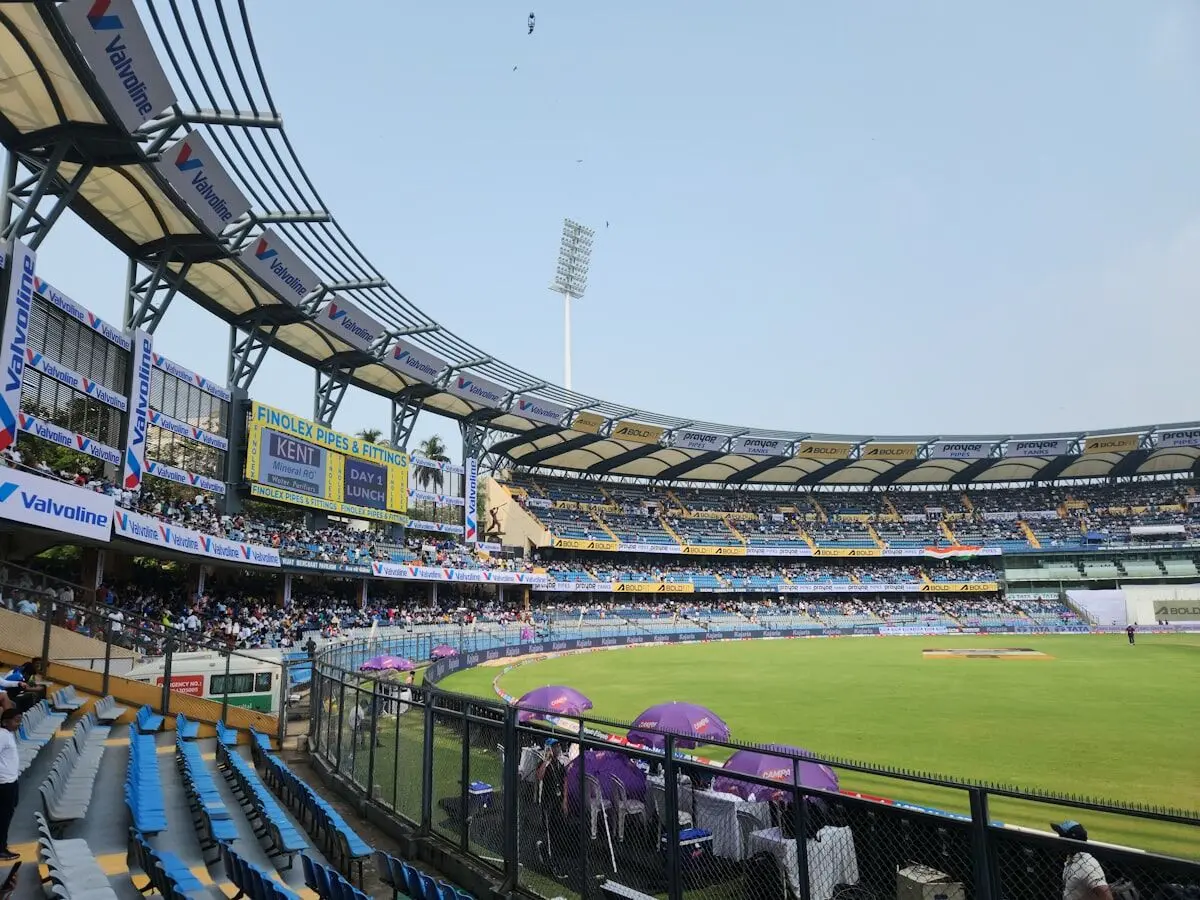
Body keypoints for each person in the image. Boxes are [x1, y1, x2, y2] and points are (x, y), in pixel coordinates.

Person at [1052, 820, 1112, 900]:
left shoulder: (1087, 865)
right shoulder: (1072, 859)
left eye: (1061, 836)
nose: (1059, 839)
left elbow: (1107, 896)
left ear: (1071, 840)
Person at [535, 738, 568, 874]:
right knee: (549, 830)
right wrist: (546, 760)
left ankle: (547, 849)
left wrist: (565, 800)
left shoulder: (560, 764)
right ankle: (551, 860)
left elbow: (565, 781)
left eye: (558, 746)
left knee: (558, 830)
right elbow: (539, 776)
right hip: (548, 802)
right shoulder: (544, 764)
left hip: (558, 801)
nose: (557, 749)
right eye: (555, 747)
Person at [0, 708, 20, 861]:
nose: (18, 724)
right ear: (5, 722)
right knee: (3, 817)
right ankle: (1, 848)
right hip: (4, 783)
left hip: (12, 780)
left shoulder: (8, 734)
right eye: (16, 720)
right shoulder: (2, 735)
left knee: (8, 813)